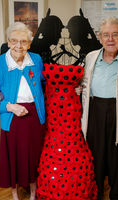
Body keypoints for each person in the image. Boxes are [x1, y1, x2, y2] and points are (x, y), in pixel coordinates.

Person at [78, 17, 118, 199]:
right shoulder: (91, 57)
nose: (110, 39)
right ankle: (96, 190)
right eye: (106, 35)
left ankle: (116, 191)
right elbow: (83, 83)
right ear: (99, 38)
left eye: (115, 35)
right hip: (95, 109)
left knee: (117, 153)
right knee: (95, 152)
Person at [0, 22, 45, 200]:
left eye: (23, 42)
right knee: (13, 156)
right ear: (8, 41)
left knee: (34, 155)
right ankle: (14, 194)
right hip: (11, 117)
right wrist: (9, 107)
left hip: (35, 115)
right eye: (14, 41)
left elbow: (45, 86)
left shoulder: (36, 60)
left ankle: (33, 192)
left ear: (29, 43)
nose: (18, 46)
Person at [36, 63, 97, 199]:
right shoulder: (38, 60)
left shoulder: (87, 57)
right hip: (52, 108)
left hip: (71, 109)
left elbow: (86, 82)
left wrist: (79, 88)